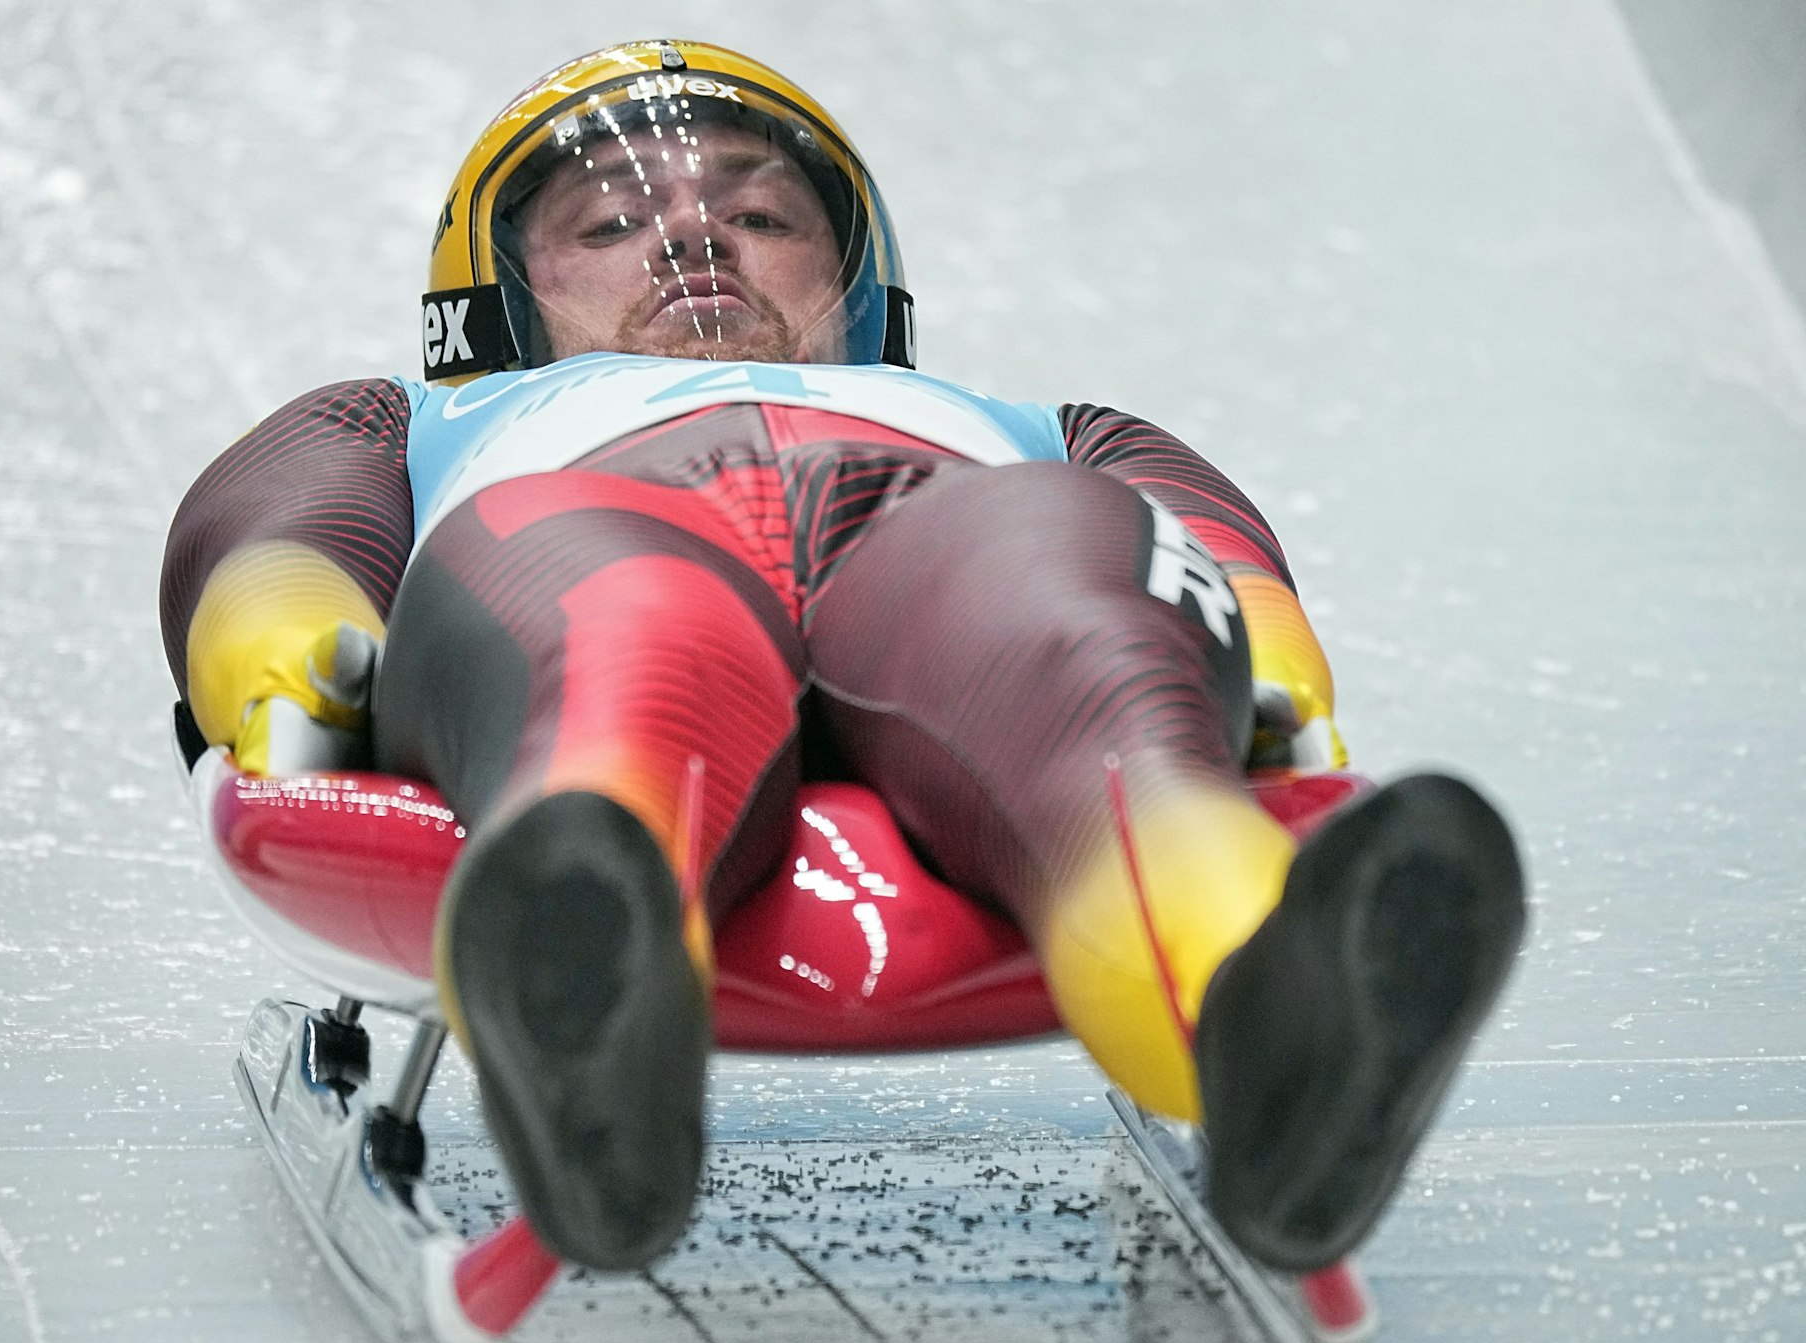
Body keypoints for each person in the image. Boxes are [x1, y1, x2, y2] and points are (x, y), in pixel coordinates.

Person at [160, 40, 1525, 1279]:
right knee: (627, 641)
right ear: (501, 301)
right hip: (591, 513)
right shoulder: (419, 415)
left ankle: (1266, 1018)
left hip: (952, 521)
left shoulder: (1034, 426)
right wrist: (289, 651)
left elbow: (1208, 536)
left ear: (855, 280)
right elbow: (272, 530)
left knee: (1077, 635)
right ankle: (589, 944)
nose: (695, 235)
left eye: (762, 216)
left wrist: (1269, 660)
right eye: (614, 223)